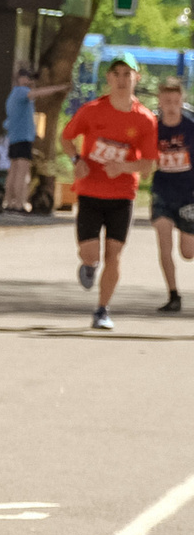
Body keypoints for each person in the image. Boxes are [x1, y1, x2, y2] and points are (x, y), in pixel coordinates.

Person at [60, 57, 159, 331]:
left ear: (136, 78)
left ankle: (102, 309)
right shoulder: (92, 111)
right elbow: (66, 138)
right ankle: (89, 265)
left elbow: (149, 165)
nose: (122, 79)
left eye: (127, 74)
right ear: (109, 78)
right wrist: (77, 160)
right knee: (90, 253)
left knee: (114, 255)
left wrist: (124, 166)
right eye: (116, 73)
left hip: (122, 195)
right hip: (90, 191)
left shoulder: (145, 119)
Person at [0, 63, 67, 213]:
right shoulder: (21, 92)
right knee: (22, 173)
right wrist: (58, 88)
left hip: (14, 137)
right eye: (28, 78)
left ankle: (9, 202)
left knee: (13, 171)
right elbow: (38, 93)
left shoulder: (13, 95)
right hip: (22, 138)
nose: (30, 81)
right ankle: (18, 204)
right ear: (21, 79)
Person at [153, 78, 191, 313]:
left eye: (175, 101)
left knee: (188, 253)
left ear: (182, 101)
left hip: (189, 193)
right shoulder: (154, 128)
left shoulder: (190, 127)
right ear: (160, 101)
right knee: (164, 243)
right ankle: (173, 294)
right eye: (167, 101)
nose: (171, 106)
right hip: (162, 191)